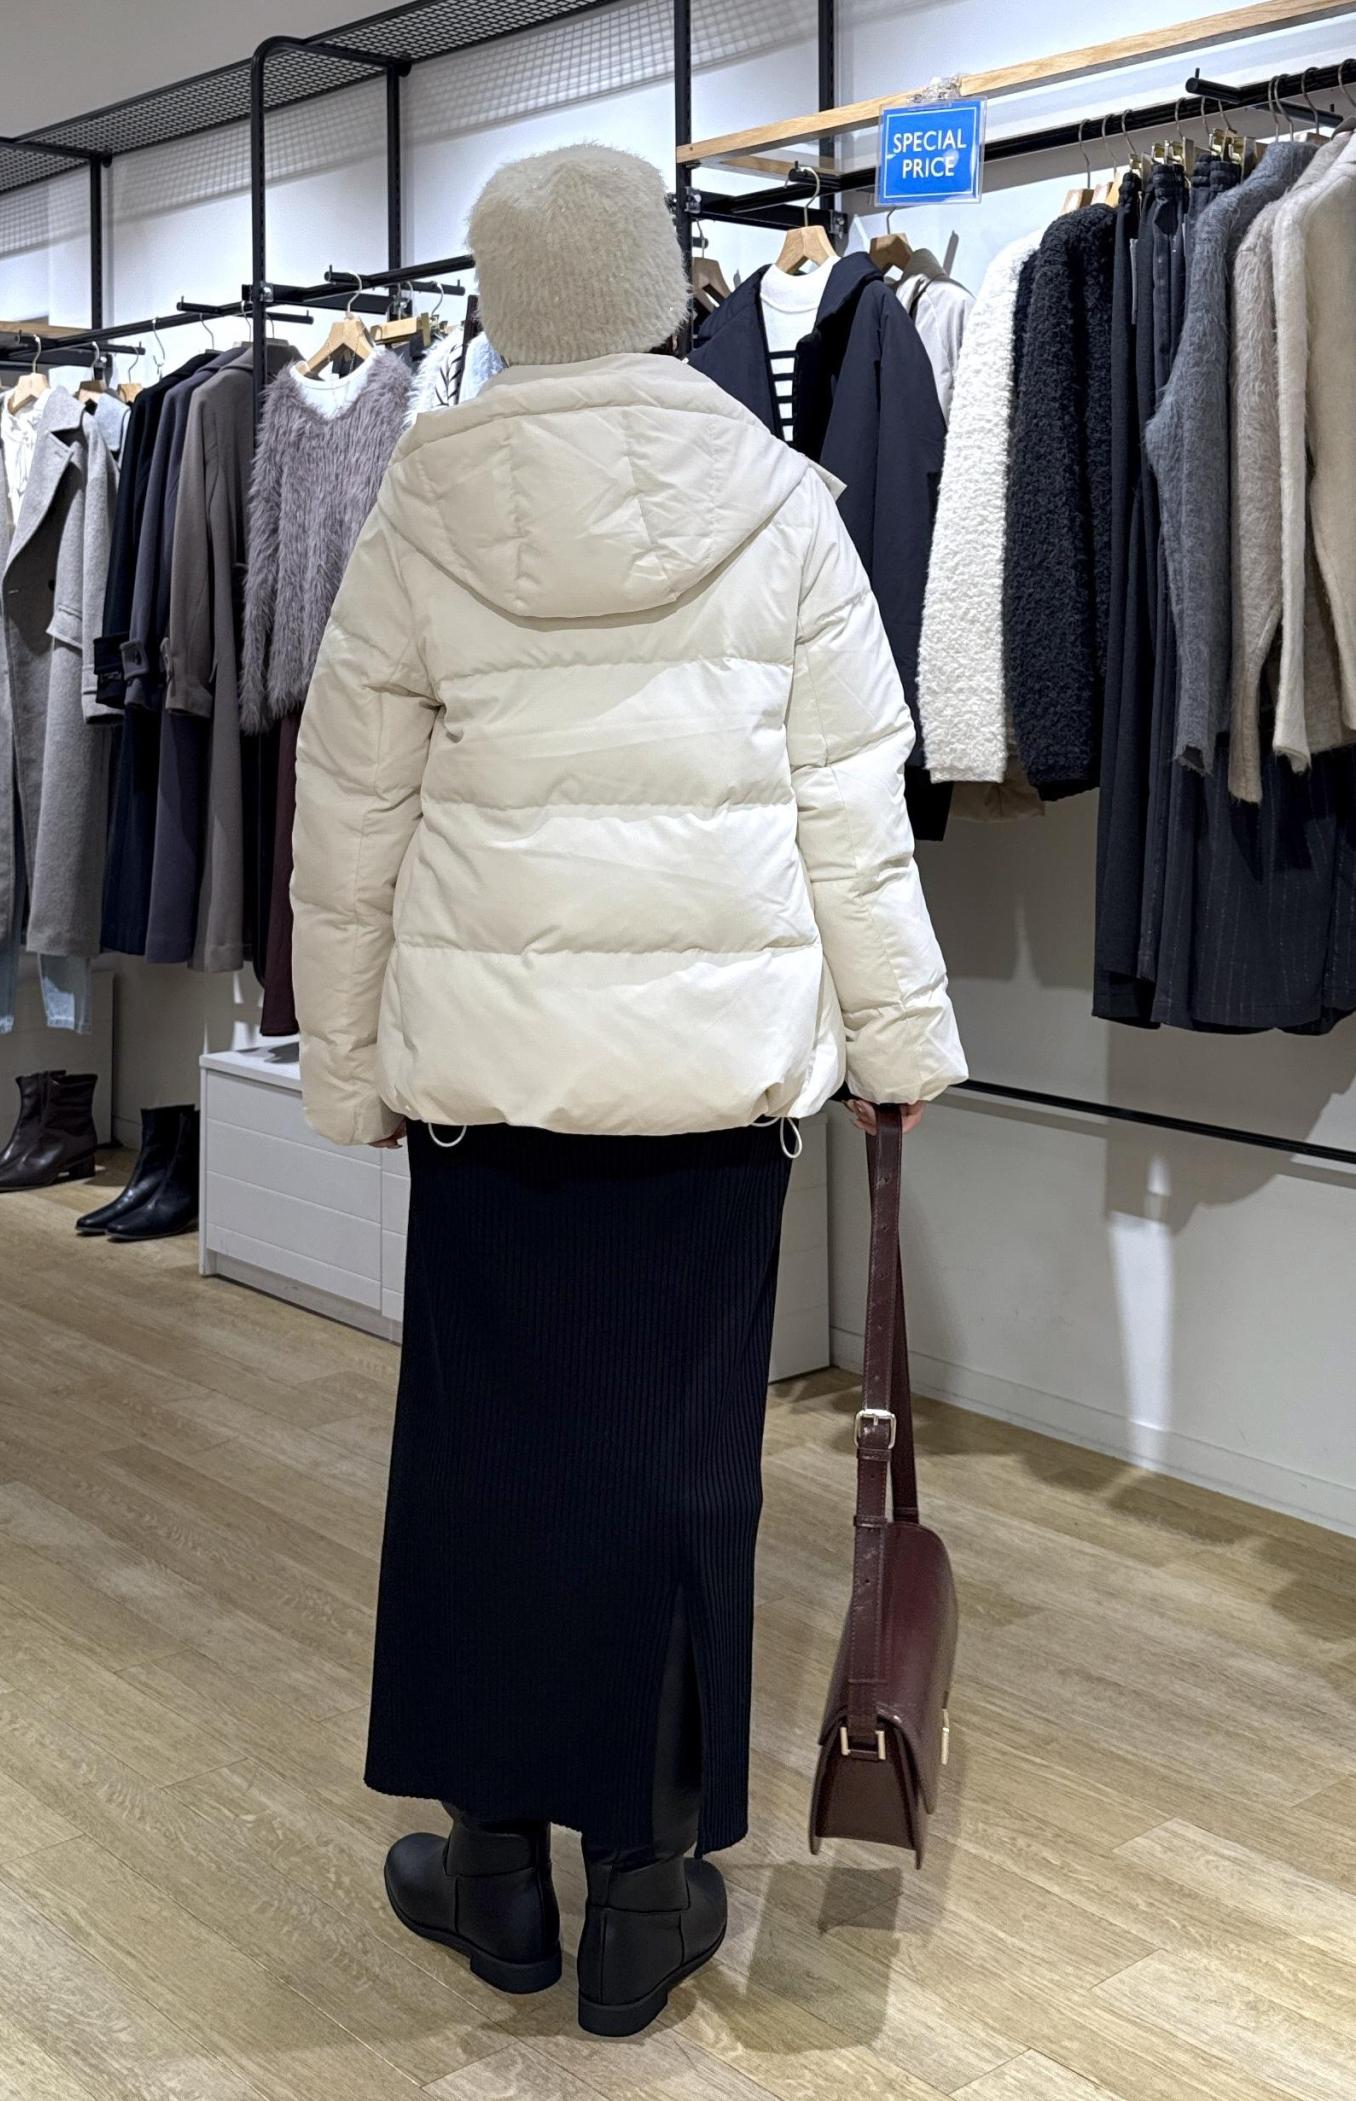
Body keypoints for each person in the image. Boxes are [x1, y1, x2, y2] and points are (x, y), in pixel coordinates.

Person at [291, 141, 965, 2038]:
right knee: (677, 1475)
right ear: (672, 292)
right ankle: (648, 1896)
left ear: (500, 303)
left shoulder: (422, 502)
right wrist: (898, 1048)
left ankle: (496, 1869)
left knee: (482, 1467)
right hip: (707, 1100)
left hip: (489, 1090)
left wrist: (347, 1068)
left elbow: (349, 816)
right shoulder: (783, 505)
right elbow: (851, 812)